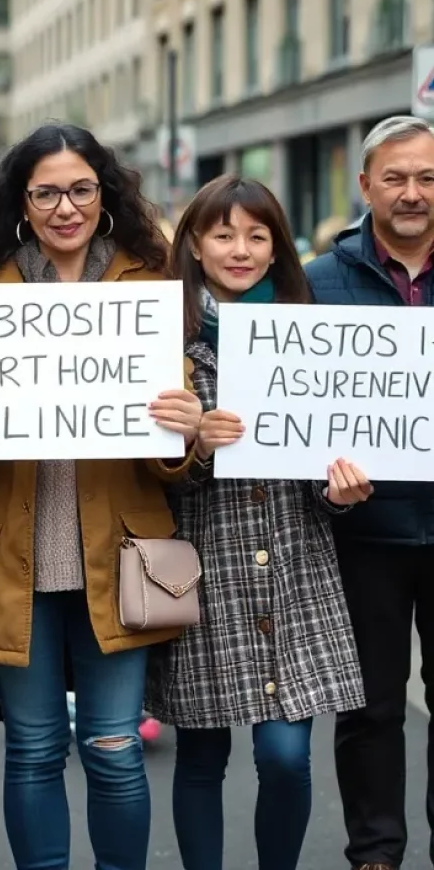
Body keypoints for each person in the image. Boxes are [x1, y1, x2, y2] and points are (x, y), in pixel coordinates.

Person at [0, 123, 203, 870]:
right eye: (47, 192)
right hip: (13, 558)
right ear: (21, 203)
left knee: (115, 748)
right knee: (31, 751)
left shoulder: (147, 288)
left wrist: (180, 430)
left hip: (121, 556)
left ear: (106, 194)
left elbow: (173, 462)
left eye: (81, 189)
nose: (66, 206)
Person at [146, 174, 371, 870]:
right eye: (222, 233)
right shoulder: (164, 342)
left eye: (256, 234)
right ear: (195, 245)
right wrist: (195, 448)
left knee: (284, 756)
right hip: (202, 572)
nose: (239, 249)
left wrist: (342, 492)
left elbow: (331, 457)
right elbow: (143, 472)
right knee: (203, 752)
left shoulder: (313, 337)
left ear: (276, 247)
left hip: (294, 569)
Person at [305, 115, 434, 870]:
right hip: (364, 533)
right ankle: (376, 856)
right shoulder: (318, 285)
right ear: (365, 187)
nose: (413, 192)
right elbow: (293, 413)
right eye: (396, 177)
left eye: (426, 177)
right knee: (371, 710)